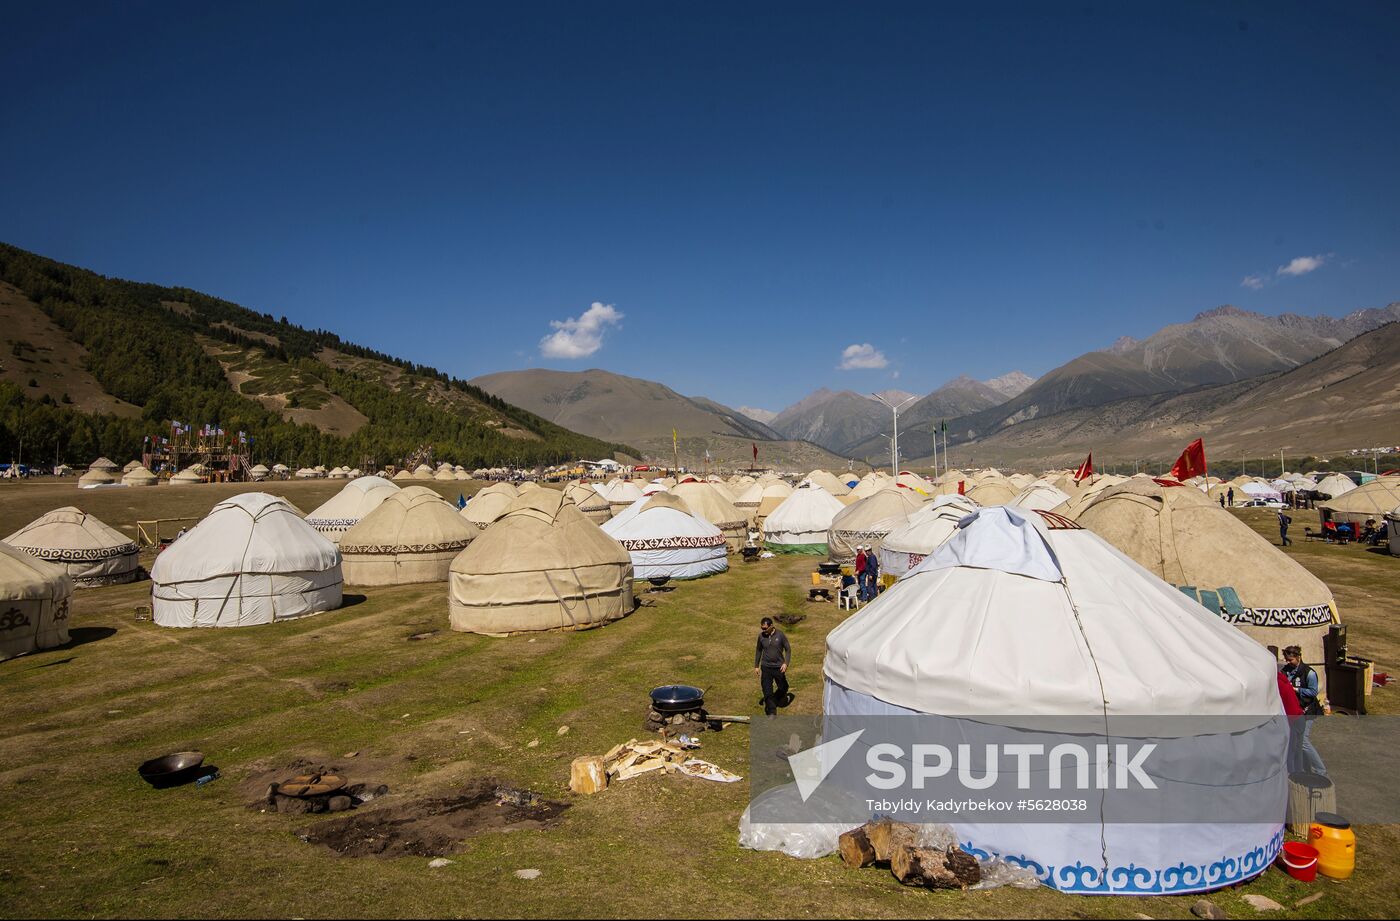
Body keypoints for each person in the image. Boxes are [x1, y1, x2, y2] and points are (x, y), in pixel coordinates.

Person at [1281, 646, 1326, 775]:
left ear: (1298, 657)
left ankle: (1320, 770)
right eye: (1287, 660)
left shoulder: (1309, 673)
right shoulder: (1286, 671)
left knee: (1303, 742)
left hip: (1308, 711)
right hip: (1295, 711)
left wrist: (1295, 690)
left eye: (1291, 660)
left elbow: (1313, 692)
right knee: (1295, 742)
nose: (1288, 662)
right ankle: (1299, 769)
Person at [754, 616, 791, 718]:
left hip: (779, 667)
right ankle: (771, 712)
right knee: (767, 689)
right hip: (766, 667)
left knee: (784, 687)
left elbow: (788, 649)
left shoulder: (780, 635)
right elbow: (758, 650)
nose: (763, 630)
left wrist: (785, 663)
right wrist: (756, 666)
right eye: (762, 628)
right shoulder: (761, 636)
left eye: (765, 628)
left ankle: (776, 698)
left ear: (771, 626)